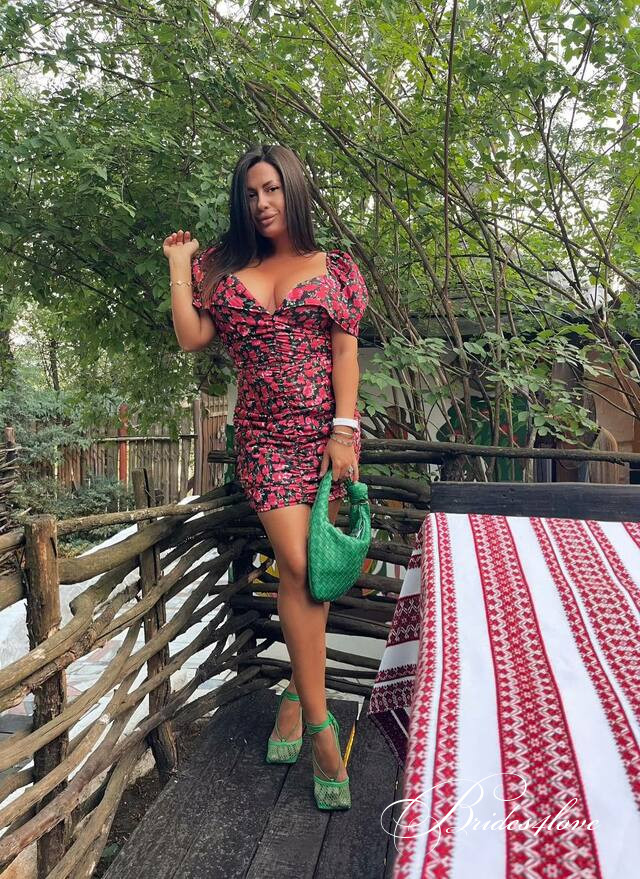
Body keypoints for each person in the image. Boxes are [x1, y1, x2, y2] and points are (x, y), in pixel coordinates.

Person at [164, 143, 368, 811]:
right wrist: (178, 268)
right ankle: (321, 726)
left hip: (323, 440)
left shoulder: (334, 268)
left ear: (293, 191)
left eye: (273, 189)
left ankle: (295, 697)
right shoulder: (224, 268)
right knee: (301, 564)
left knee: (309, 573)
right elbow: (192, 336)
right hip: (263, 440)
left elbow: (344, 352)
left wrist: (345, 432)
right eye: (251, 193)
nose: (262, 202)